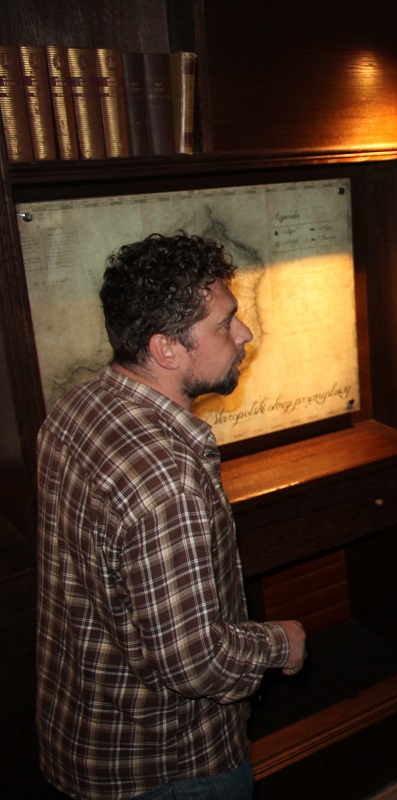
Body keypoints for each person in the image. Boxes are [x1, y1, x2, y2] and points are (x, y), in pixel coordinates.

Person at [36, 233, 306, 800]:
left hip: (84, 739)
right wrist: (281, 641)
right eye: (224, 324)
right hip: (173, 766)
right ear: (166, 350)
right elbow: (195, 662)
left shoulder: (75, 409)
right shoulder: (167, 481)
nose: (244, 333)